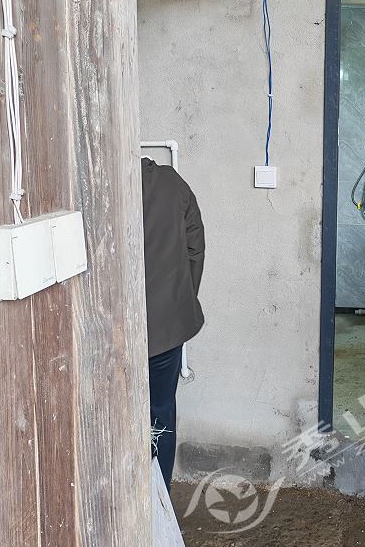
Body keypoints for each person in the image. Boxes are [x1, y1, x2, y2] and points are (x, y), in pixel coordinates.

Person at [142, 156, 205, 491]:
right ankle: (159, 501)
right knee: (160, 412)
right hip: (166, 329)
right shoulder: (172, 184)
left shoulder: (94, 184)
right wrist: (180, 302)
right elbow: (195, 248)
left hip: (108, 330)